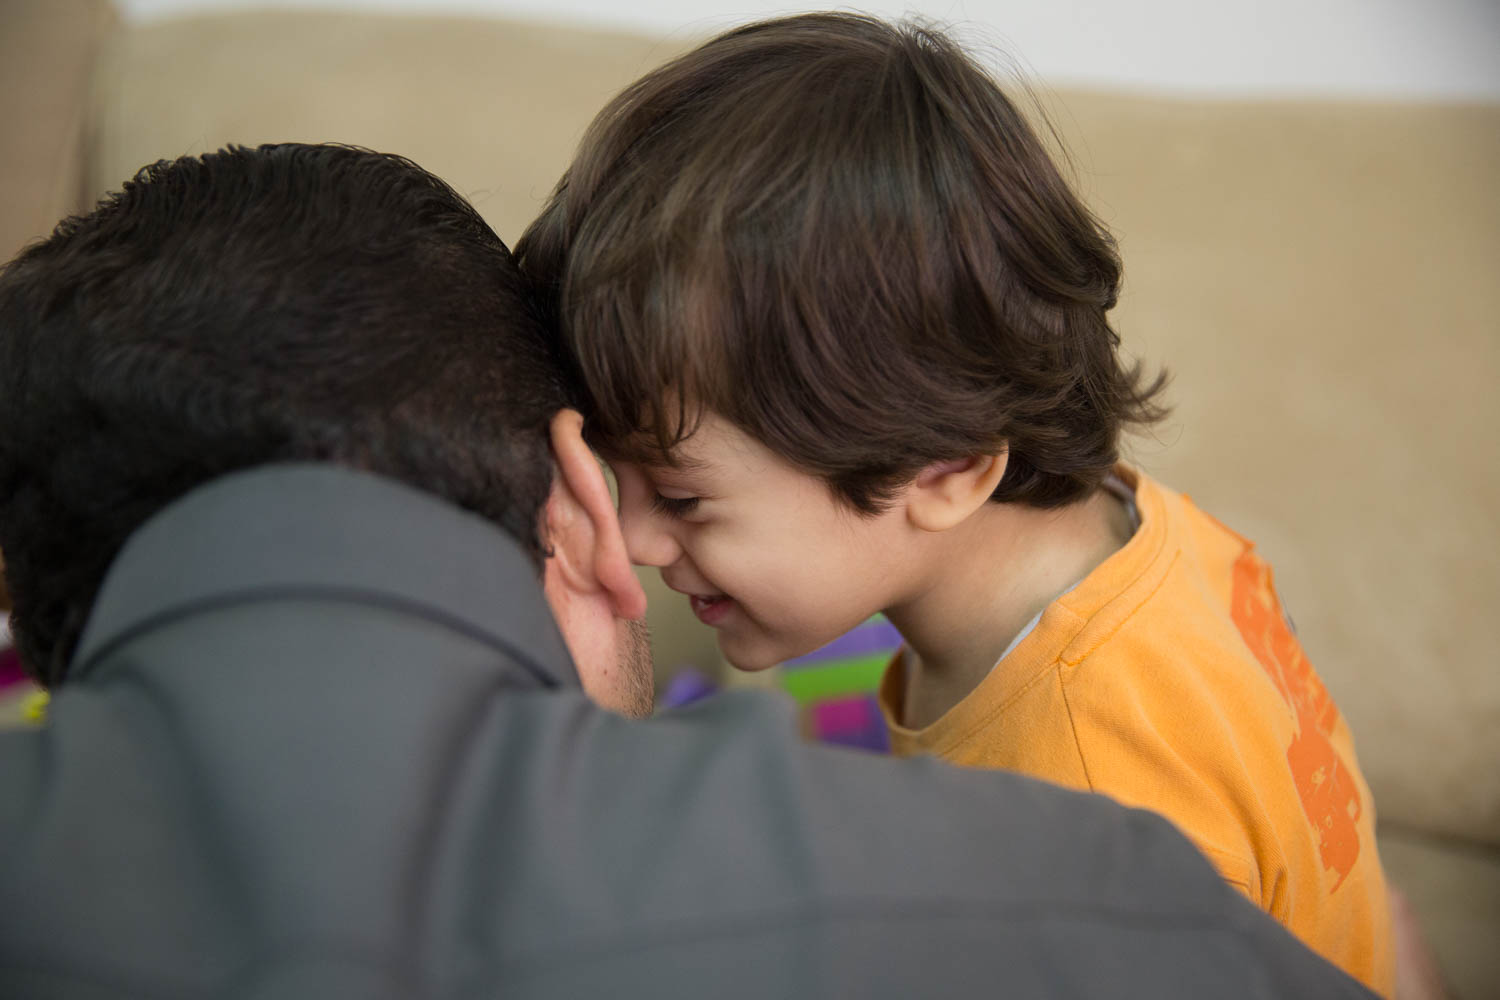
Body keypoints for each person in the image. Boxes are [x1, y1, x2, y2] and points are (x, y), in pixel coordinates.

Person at [0, 143, 1376, 999]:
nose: (651, 552)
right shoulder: (1163, 551)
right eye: (634, 493)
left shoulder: (1094, 783)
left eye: (686, 498)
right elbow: (1357, 867)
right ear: (576, 521)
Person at [516, 11, 1394, 994]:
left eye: (680, 495)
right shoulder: (1142, 530)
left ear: (944, 471)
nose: (629, 540)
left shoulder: (1083, 813)